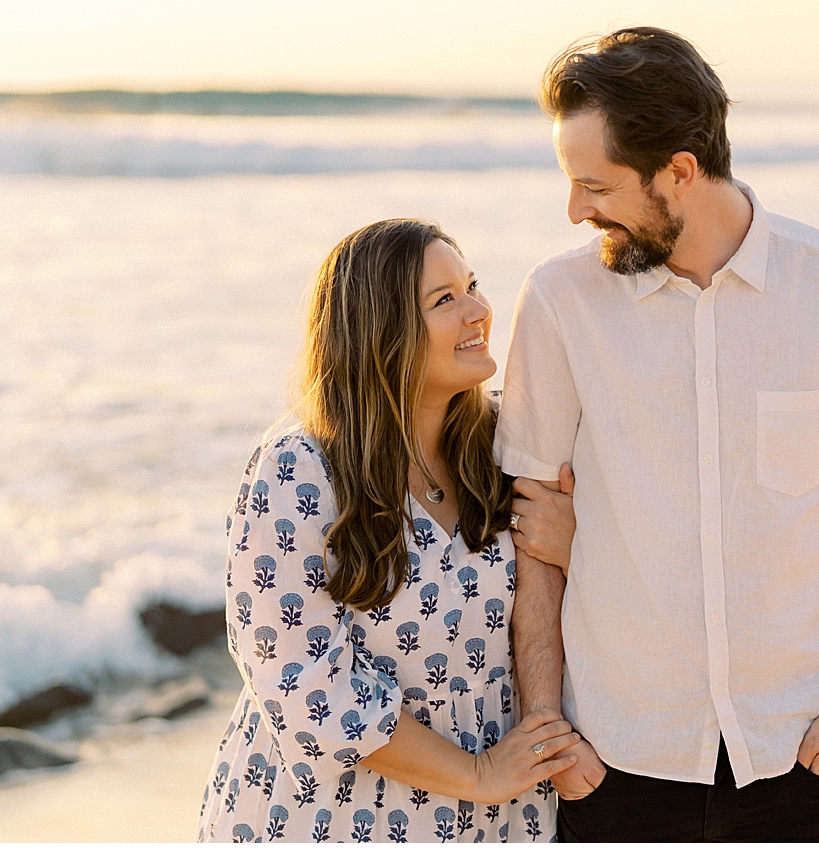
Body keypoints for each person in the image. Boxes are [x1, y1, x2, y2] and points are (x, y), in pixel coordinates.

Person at [498, 28, 819, 843]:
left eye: (595, 185)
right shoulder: (558, 302)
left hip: (803, 752)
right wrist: (549, 726)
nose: (575, 211)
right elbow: (531, 529)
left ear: (680, 172)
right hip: (615, 759)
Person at [197, 218, 581, 844]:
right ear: (382, 332)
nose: (480, 310)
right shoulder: (300, 468)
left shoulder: (505, 443)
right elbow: (300, 679)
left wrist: (577, 543)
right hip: (329, 821)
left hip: (494, 821)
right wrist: (477, 773)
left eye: (473, 286)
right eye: (445, 300)